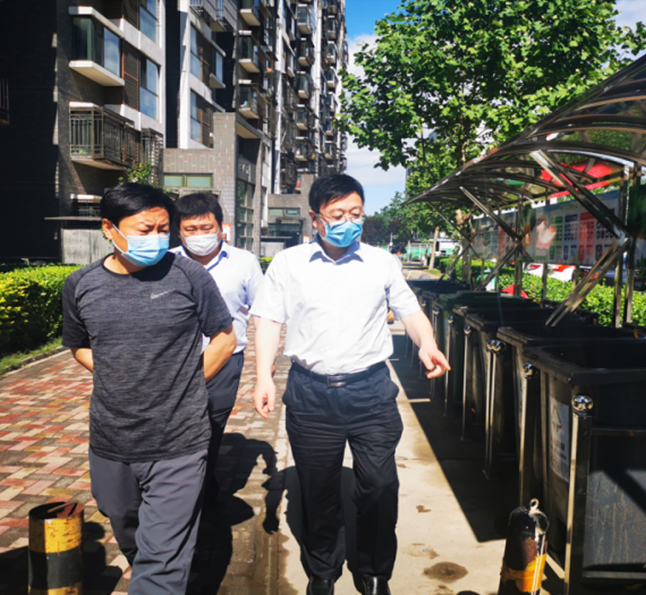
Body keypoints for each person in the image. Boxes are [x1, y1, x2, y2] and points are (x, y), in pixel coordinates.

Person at [251, 174, 450, 595]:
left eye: (355, 213)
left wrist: (428, 344)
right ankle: (323, 570)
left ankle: (375, 571)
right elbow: (269, 319)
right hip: (311, 393)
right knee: (318, 491)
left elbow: (409, 310)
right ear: (315, 218)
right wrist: (263, 375)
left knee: (380, 485)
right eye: (337, 214)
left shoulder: (382, 262)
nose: (348, 221)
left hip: (370, 392)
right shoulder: (289, 264)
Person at [62, 183, 236, 593]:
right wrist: (116, 373)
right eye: (144, 230)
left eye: (163, 229)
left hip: (179, 438)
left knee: (162, 559)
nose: (156, 238)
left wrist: (185, 384)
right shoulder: (80, 284)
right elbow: (78, 344)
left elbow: (225, 339)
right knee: (126, 526)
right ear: (109, 228)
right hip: (111, 440)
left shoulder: (188, 275)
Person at [170, 192, 264, 508]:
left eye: (206, 228)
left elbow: (261, 312)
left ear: (220, 227)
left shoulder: (244, 262)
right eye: (191, 229)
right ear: (179, 231)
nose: (200, 235)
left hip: (225, 361)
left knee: (211, 427)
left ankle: (201, 493)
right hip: (173, 363)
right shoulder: (165, 262)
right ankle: (180, 491)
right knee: (174, 427)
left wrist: (265, 365)